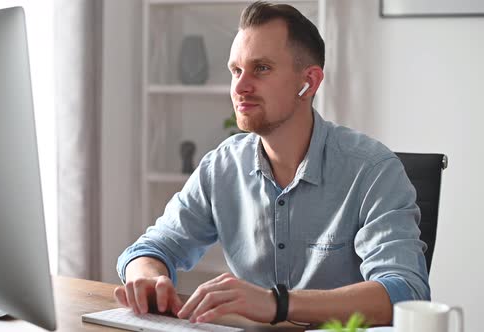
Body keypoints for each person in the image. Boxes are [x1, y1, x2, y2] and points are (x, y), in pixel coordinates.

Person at [114, 1, 430, 326]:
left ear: (309, 82)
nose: (239, 87)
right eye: (236, 71)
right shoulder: (221, 167)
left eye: (261, 68)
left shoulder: (373, 170)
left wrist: (277, 304)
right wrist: (149, 277)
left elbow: (406, 293)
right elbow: (152, 247)